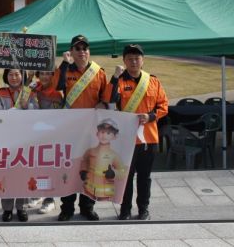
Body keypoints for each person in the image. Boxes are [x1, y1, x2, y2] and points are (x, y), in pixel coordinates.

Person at [105, 44, 168, 220]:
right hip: (126, 138)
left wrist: (151, 116)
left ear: (143, 60)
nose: (134, 61)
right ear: (124, 61)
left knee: (144, 177)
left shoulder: (153, 81)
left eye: (137, 57)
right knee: (125, 177)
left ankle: (143, 209)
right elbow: (108, 100)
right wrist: (115, 77)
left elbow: (163, 106)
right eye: (130, 58)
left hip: (149, 138)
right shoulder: (120, 81)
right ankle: (125, 210)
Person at [52, 35, 108, 221]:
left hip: (92, 129)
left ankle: (87, 206)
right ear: (71, 52)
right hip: (70, 128)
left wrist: (102, 104)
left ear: (89, 51)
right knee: (69, 166)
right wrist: (64, 64)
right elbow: (55, 87)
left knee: (91, 168)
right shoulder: (65, 69)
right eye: (78, 48)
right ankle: (66, 208)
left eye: (85, 48)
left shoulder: (99, 72)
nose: (82, 51)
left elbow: (106, 98)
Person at [0, 69, 38, 222]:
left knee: (22, 172)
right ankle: (7, 209)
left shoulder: (30, 92)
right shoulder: (0, 92)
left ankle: (21, 207)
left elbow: (38, 112)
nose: (14, 77)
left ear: (23, 76)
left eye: (17, 74)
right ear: (5, 76)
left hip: (24, 139)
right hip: (5, 139)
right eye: (10, 74)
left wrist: (28, 106)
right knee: (6, 173)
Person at [32, 70, 63, 214]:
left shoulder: (58, 92)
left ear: (53, 75)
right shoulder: (34, 87)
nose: (45, 76)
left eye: (48, 73)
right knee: (37, 166)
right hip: (36, 134)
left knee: (49, 167)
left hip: (53, 135)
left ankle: (49, 199)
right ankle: (38, 193)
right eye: (42, 73)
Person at [80, 119, 126, 202]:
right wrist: (83, 170)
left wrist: (113, 173)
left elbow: (122, 171)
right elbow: (84, 160)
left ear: (114, 136)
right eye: (102, 132)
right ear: (97, 134)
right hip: (89, 188)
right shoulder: (90, 151)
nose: (104, 135)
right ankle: (86, 210)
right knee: (86, 200)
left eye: (108, 133)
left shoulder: (114, 155)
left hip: (105, 194)